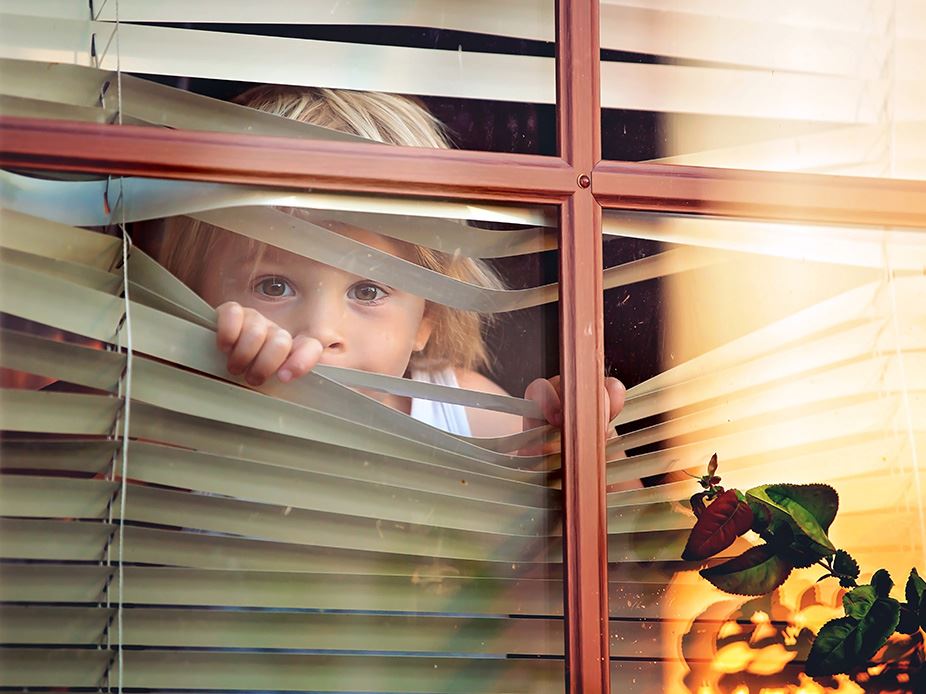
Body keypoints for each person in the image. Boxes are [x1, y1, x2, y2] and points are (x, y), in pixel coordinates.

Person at [155, 85, 626, 439]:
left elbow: (612, 551)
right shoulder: (190, 418)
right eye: (273, 286)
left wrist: (576, 454)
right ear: (195, 293)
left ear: (428, 317)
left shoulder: (464, 414)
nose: (320, 331)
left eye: (368, 291)